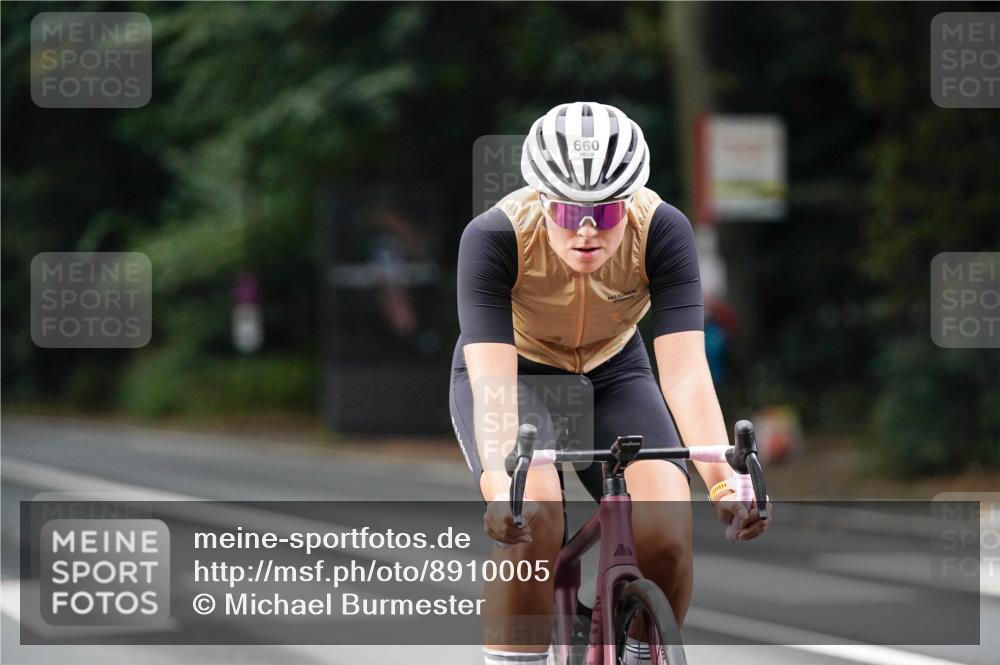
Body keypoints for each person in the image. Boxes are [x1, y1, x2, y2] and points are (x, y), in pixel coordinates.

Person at [449, 102, 770, 665]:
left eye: (608, 212)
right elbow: (494, 387)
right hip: (518, 373)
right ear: (542, 202)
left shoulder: (663, 229)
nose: (590, 230)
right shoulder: (494, 237)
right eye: (571, 214)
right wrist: (504, 489)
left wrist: (724, 482)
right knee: (535, 517)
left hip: (614, 370)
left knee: (668, 529)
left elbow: (687, 372)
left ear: (631, 203)